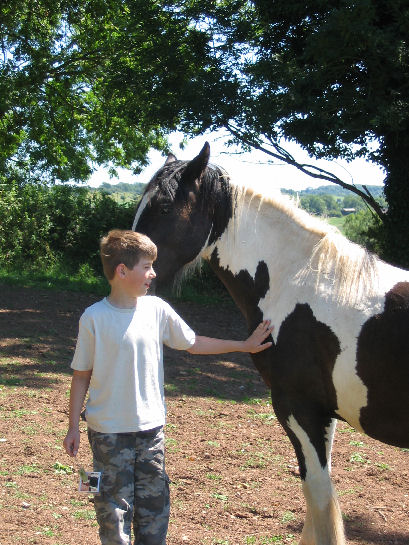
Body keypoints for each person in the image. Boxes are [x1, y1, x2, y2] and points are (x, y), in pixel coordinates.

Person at [63, 229, 273, 545]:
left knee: (154, 511)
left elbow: (193, 342)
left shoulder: (156, 309)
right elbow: (81, 375)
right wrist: (72, 427)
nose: (153, 273)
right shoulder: (93, 318)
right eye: (146, 266)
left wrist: (243, 345)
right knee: (111, 512)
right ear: (122, 271)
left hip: (151, 433)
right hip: (106, 435)